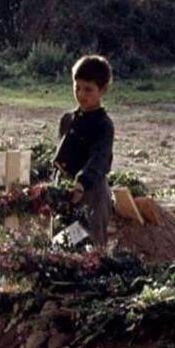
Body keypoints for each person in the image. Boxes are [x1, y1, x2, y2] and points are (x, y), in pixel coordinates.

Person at [53, 54, 114, 247]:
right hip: (65, 189)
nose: (81, 94)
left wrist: (82, 183)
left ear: (103, 90)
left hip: (91, 192)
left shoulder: (103, 125)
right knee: (61, 243)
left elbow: (100, 158)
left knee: (89, 245)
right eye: (77, 88)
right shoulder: (67, 119)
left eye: (88, 90)